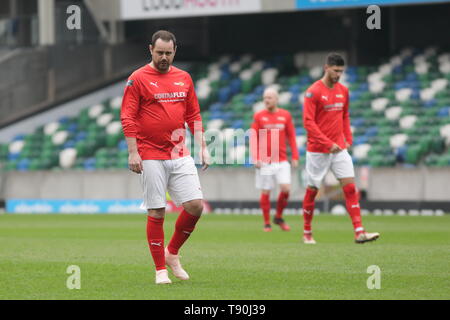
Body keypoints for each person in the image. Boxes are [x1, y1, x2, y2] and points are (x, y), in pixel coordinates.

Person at [121, 30, 210, 284]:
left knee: (195, 206)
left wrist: (203, 146)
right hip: (149, 153)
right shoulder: (137, 78)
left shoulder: (184, 78)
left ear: (175, 52)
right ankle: (160, 269)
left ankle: (172, 253)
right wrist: (133, 151)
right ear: (150, 49)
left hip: (179, 151)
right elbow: (127, 116)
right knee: (157, 211)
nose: (163, 57)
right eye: (159, 52)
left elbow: (193, 115)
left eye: (168, 53)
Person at [302, 53, 380, 244]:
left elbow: (345, 115)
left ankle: (359, 232)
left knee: (351, 188)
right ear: (326, 67)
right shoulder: (313, 92)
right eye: (335, 71)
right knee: (312, 191)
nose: (338, 74)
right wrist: (327, 143)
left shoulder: (343, 91)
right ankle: (307, 232)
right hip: (318, 151)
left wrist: (348, 138)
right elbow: (308, 123)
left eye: (341, 71)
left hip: (339, 150)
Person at [250, 87, 299, 232]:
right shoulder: (259, 116)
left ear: (277, 99)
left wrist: (295, 156)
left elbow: (291, 137)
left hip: (282, 159)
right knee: (266, 191)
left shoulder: (285, 115)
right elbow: (254, 137)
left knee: (286, 188)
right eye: (265, 98)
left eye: (269, 98)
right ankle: (267, 223)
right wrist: (256, 157)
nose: (266, 100)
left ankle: (278, 216)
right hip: (265, 160)